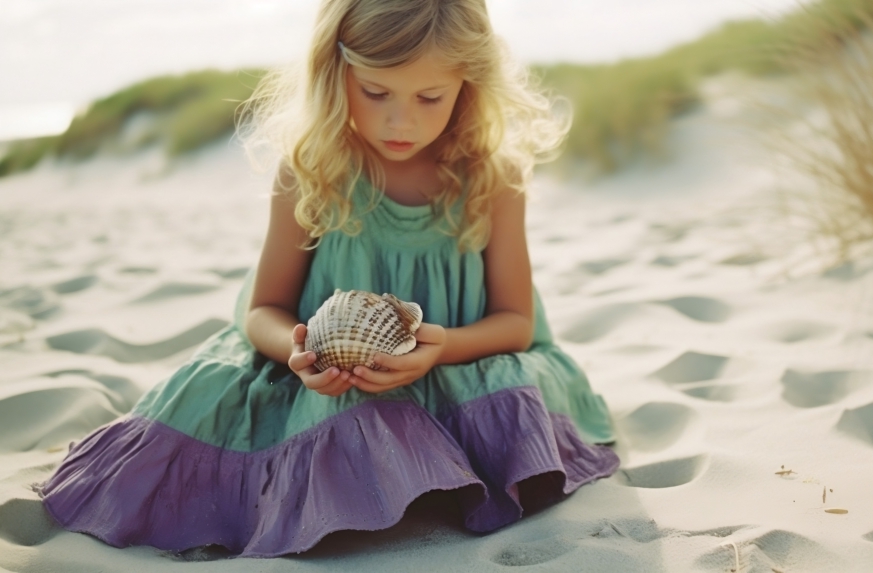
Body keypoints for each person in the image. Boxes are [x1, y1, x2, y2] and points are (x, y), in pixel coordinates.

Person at [38, 0, 618, 558]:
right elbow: (263, 310)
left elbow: (516, 325)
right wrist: (299, 355)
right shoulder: (313, 170)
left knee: (516, 398)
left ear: (468, 84)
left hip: (460, 364)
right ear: (334, 71)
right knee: (205, 412)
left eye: (430, 96)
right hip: (327, 374)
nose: (401, 119)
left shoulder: (493, 179)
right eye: (376, 92)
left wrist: (442, 349)